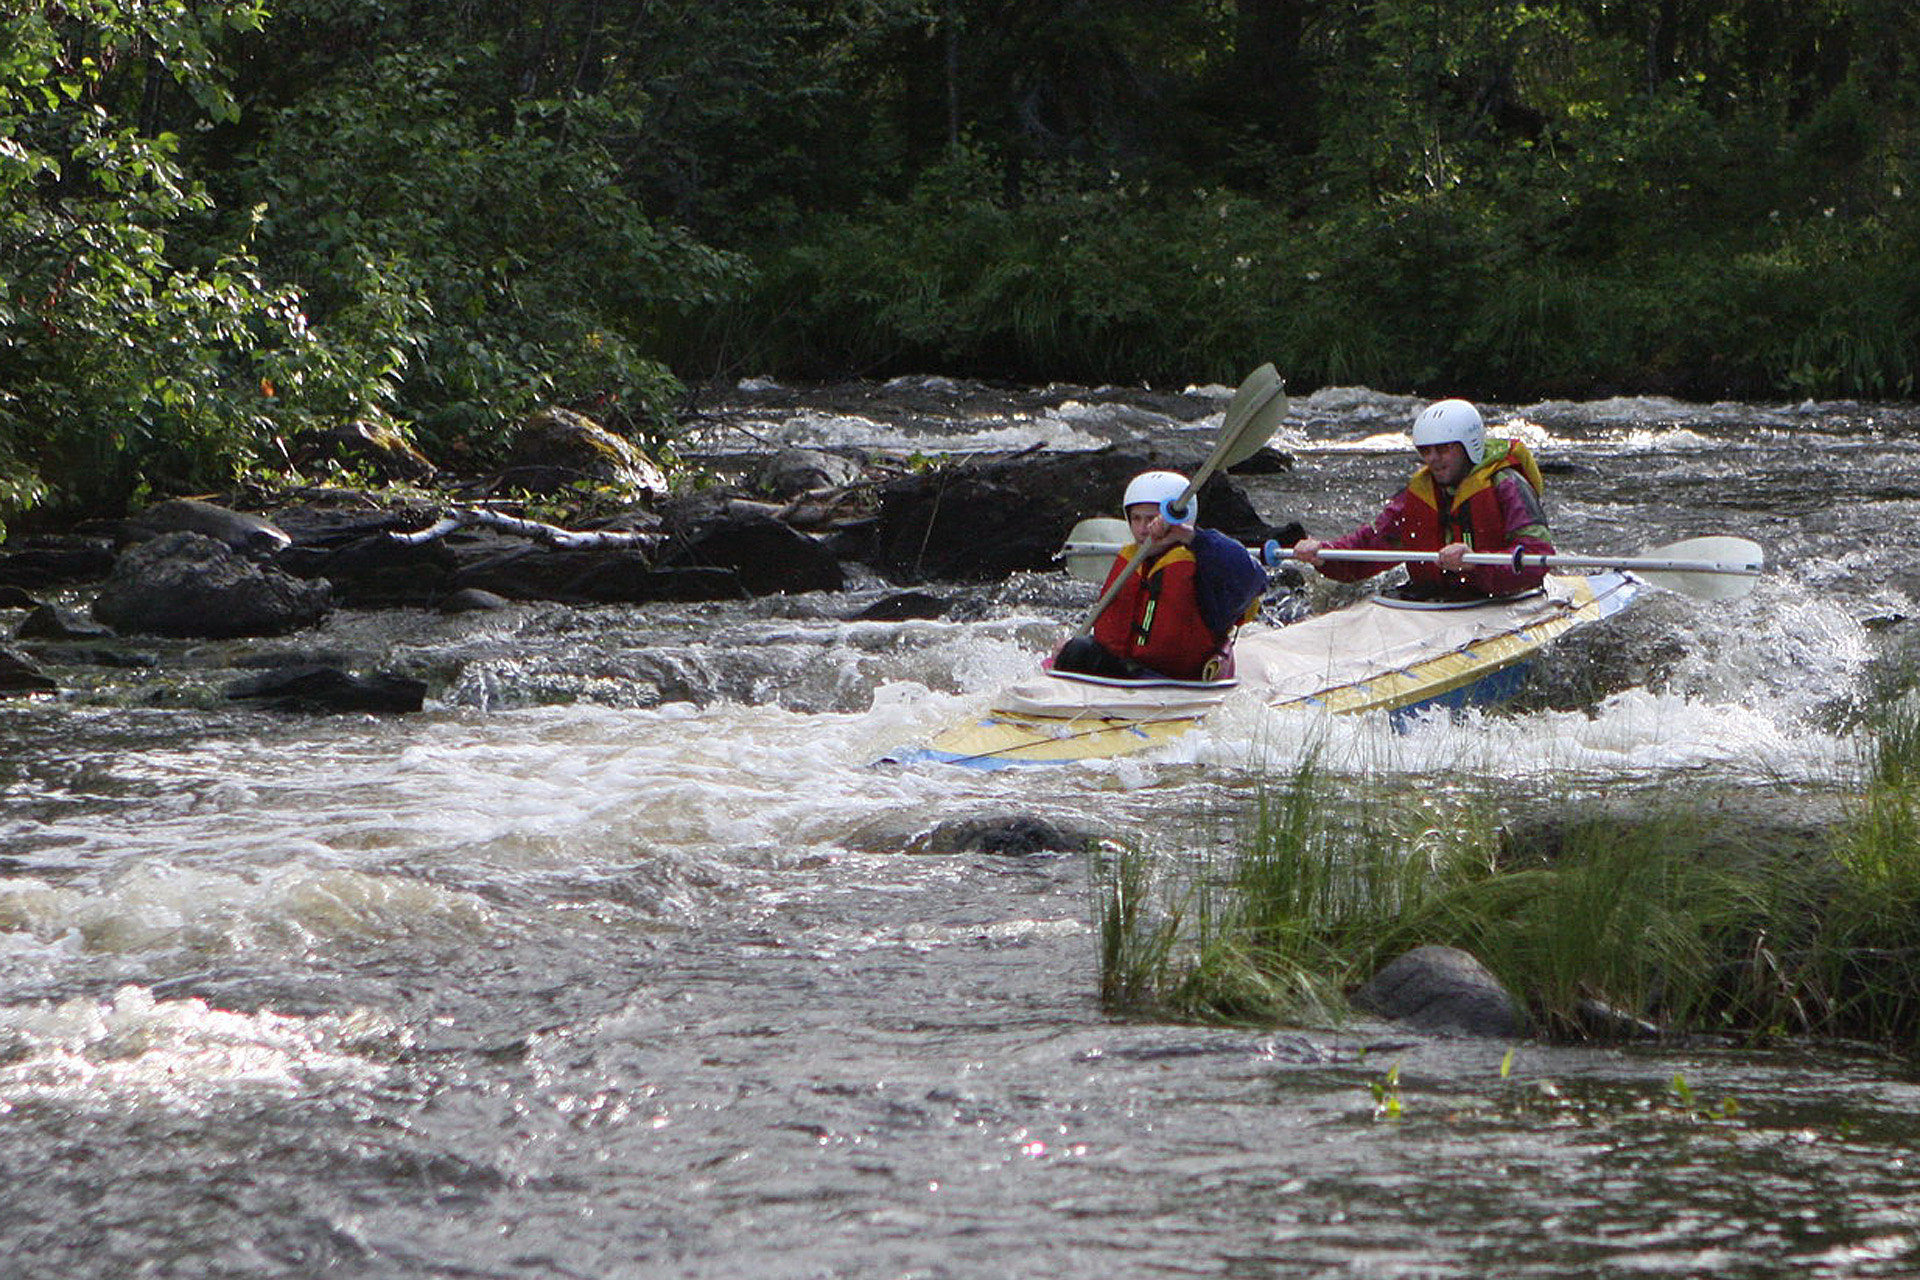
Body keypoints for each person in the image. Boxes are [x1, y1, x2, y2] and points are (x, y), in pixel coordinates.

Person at [1292, 399, 1552, 600]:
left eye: (1444, 448)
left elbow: (1536, 555)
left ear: (1469, 445)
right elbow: (1371, 544)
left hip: (1502, 600)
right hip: (1437, 601)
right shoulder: (1419, 493)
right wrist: (1323, 554)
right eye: (1426, 450)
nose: (1433, 459)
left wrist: (1475, 563)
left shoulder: (1507, 485)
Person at [1053, 470, 1269, 681]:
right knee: (1077, 649)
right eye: (1136, 518)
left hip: (1175, 679)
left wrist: (1191, 536)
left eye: (1151, 519)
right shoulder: (1132, 559)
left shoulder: (1204, 566)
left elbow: (1252, 577)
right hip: (1125, 671)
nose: (1142, 529)